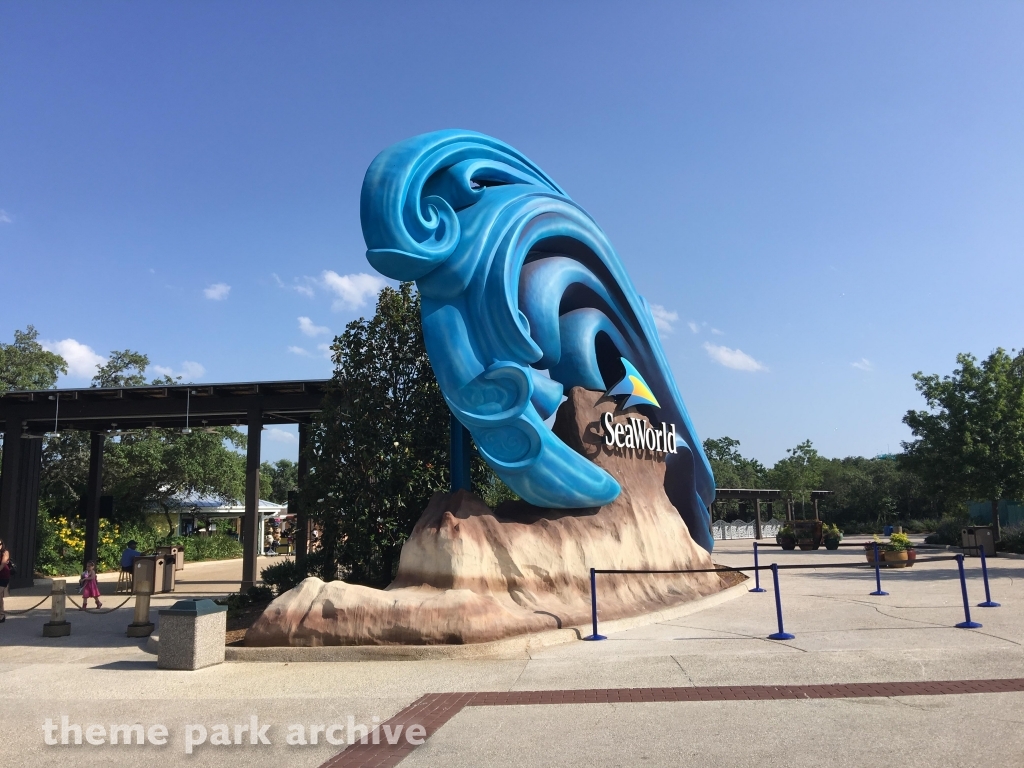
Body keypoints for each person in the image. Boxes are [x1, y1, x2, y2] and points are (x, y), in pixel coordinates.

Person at [0, 537, 10, 623]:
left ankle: (1, 615)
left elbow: (3, 564)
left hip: (3, 576)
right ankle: (1, 615)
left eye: (0, 544)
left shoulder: (5, 552)